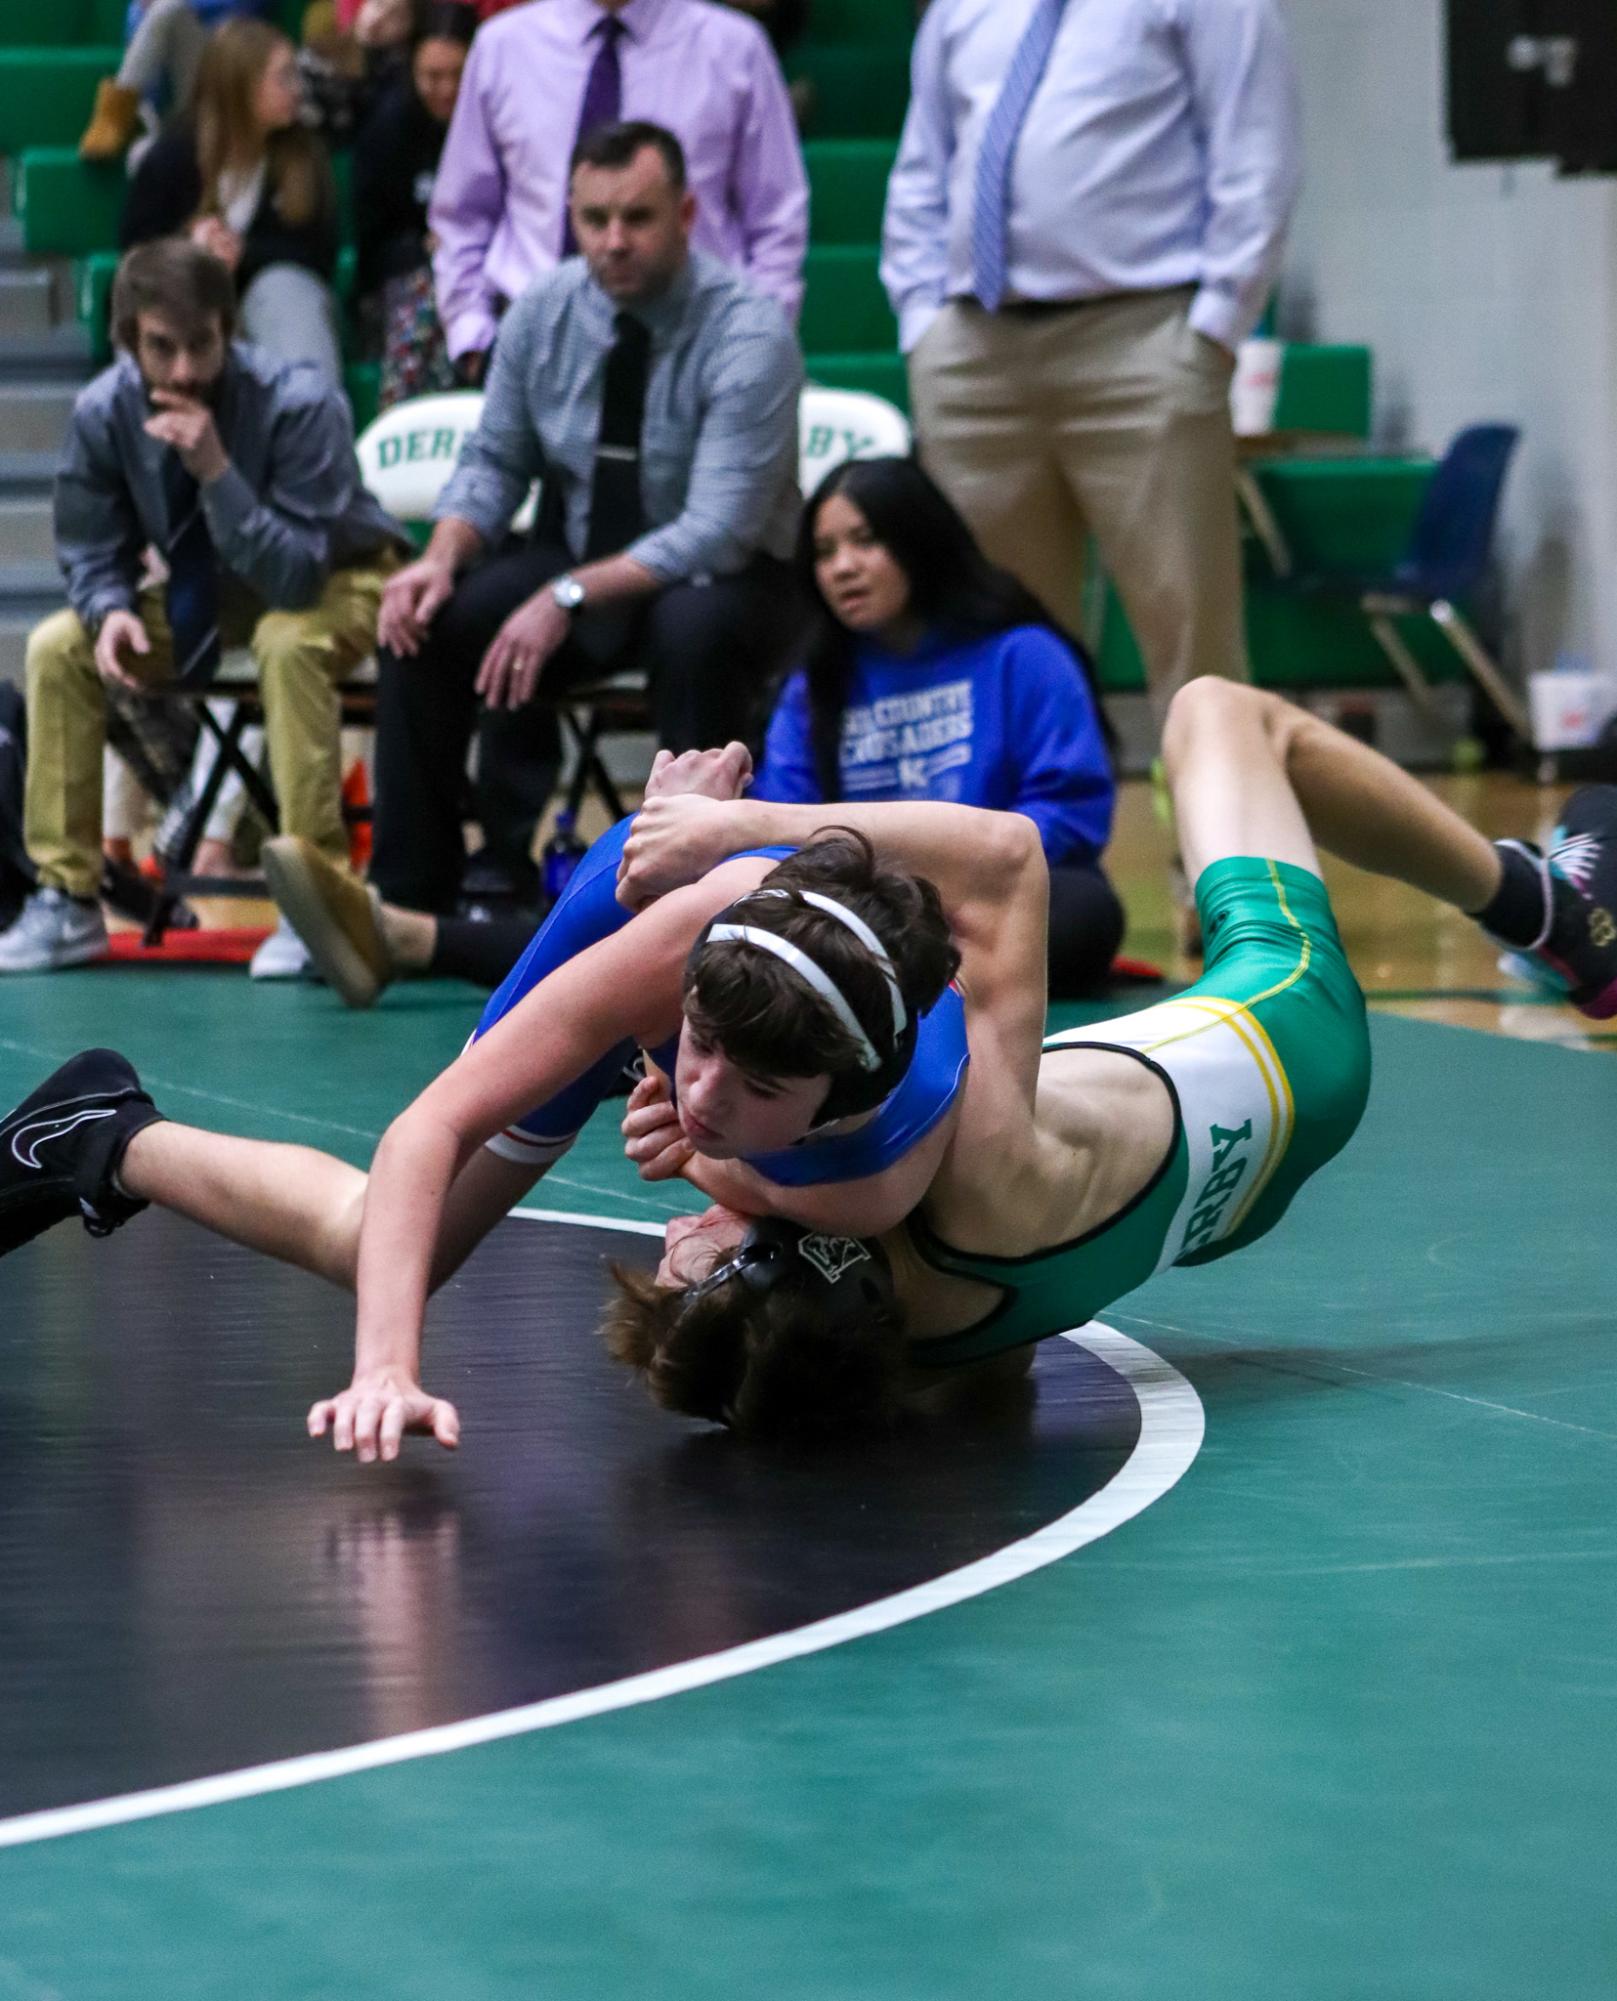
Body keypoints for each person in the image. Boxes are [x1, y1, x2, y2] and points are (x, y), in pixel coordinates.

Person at [599, 682, 1617, 1439]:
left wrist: (712, 1158)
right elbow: (1005, 862)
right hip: (1288, 1033)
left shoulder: (912, 1331)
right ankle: (1551, 914)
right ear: (798, 1254)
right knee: (1217, 715)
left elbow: (983, 1367)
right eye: (691, 1245)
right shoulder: (961, 1183)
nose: (683, 1218)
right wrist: (737, 832)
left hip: (1222, 1199)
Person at [0, 744, 974, 1464]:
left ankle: (105, 1133)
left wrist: (717, 1164)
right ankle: (99, 1125)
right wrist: (385, 1365)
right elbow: (430, 1125)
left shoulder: (870, 1179)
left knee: (400, 1250)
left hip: (737, 1023)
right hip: (648, 937)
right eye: (700, 1054)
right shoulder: (672, 950)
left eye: (752, 1088)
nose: (699, 1088)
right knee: (378, 1242)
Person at [371, 119, 803, 915]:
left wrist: (564, 595)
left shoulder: (748, 328)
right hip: (585, 552)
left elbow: (719, 527)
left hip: (733, 582)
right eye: (593, 219)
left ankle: (697, 895)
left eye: (636, 219)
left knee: (690, 628)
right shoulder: (543, 310)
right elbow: (496, 459)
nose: (612, 241)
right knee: (427, 621)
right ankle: (407, 901)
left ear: (685, 215)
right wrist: (439, 555)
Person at [882, 0, 1302, 717]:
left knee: (1190, 630)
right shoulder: (957, 9)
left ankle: (1215, 830)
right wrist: (923, 321)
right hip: (974, 351)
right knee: (999, 632)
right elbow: (922, 168)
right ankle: (1032, 824)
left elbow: (1255, 154)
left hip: (1140, 341)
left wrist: (1213, 326)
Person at [0, 239, 407, 979]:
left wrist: (216, 470)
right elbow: (91, 548)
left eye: (201, 345)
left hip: (338, 578)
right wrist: (110, 608)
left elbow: (295, 577)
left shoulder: (300, 400)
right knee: (59, 643)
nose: (184, 369)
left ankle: (316, 901)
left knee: (287, 641)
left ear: (229, 330)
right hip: (215, 589)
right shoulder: (103, 411)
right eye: (162, 348)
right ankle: (67, 899)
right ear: (128, 341)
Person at [753, 455, 1125, 998]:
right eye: (825, 552)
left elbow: (1070, 812)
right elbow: (785, 821)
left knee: (1083, 913)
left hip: (994, 894)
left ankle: (891, 988)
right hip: (867, 905)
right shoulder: (814, 683)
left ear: (919, 542)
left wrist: (960, 872)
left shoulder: (1022, 654)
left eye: (866, 541)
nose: (842, 567)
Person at [430, 0, 808, 387]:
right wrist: (474, 338)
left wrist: (758, 347)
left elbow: (777, 218)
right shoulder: (503, 47)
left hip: (698, 350)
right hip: (537, 348)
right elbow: (462, 214)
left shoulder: (735, 47)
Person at [120, 17, 344, 384]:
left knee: (287, 290)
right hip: (187, 301)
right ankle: (165, 432)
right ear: (242, 86)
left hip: (269, 303)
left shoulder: (303, 151)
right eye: (283, 77)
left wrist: (245, 252)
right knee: (166, 296)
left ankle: (313, 428)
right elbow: (133, 253)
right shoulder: (172, 155)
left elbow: (321, 255)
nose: (297, 89)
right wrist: (191, 249)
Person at [352, 1, 477, 409]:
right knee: (428, 302)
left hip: (483, 273)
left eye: (457, 74)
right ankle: (402, 431)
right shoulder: (389, 127)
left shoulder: (500, 124)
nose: (445, 89)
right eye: (432, 76)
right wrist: (420, 247)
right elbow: (370, 244)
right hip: (409, 281)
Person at [78, 0, 271, 165]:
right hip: (181, 88)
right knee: (142, 156)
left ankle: (125, 113)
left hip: (230, 79)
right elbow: (138, 19)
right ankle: (121, 113)